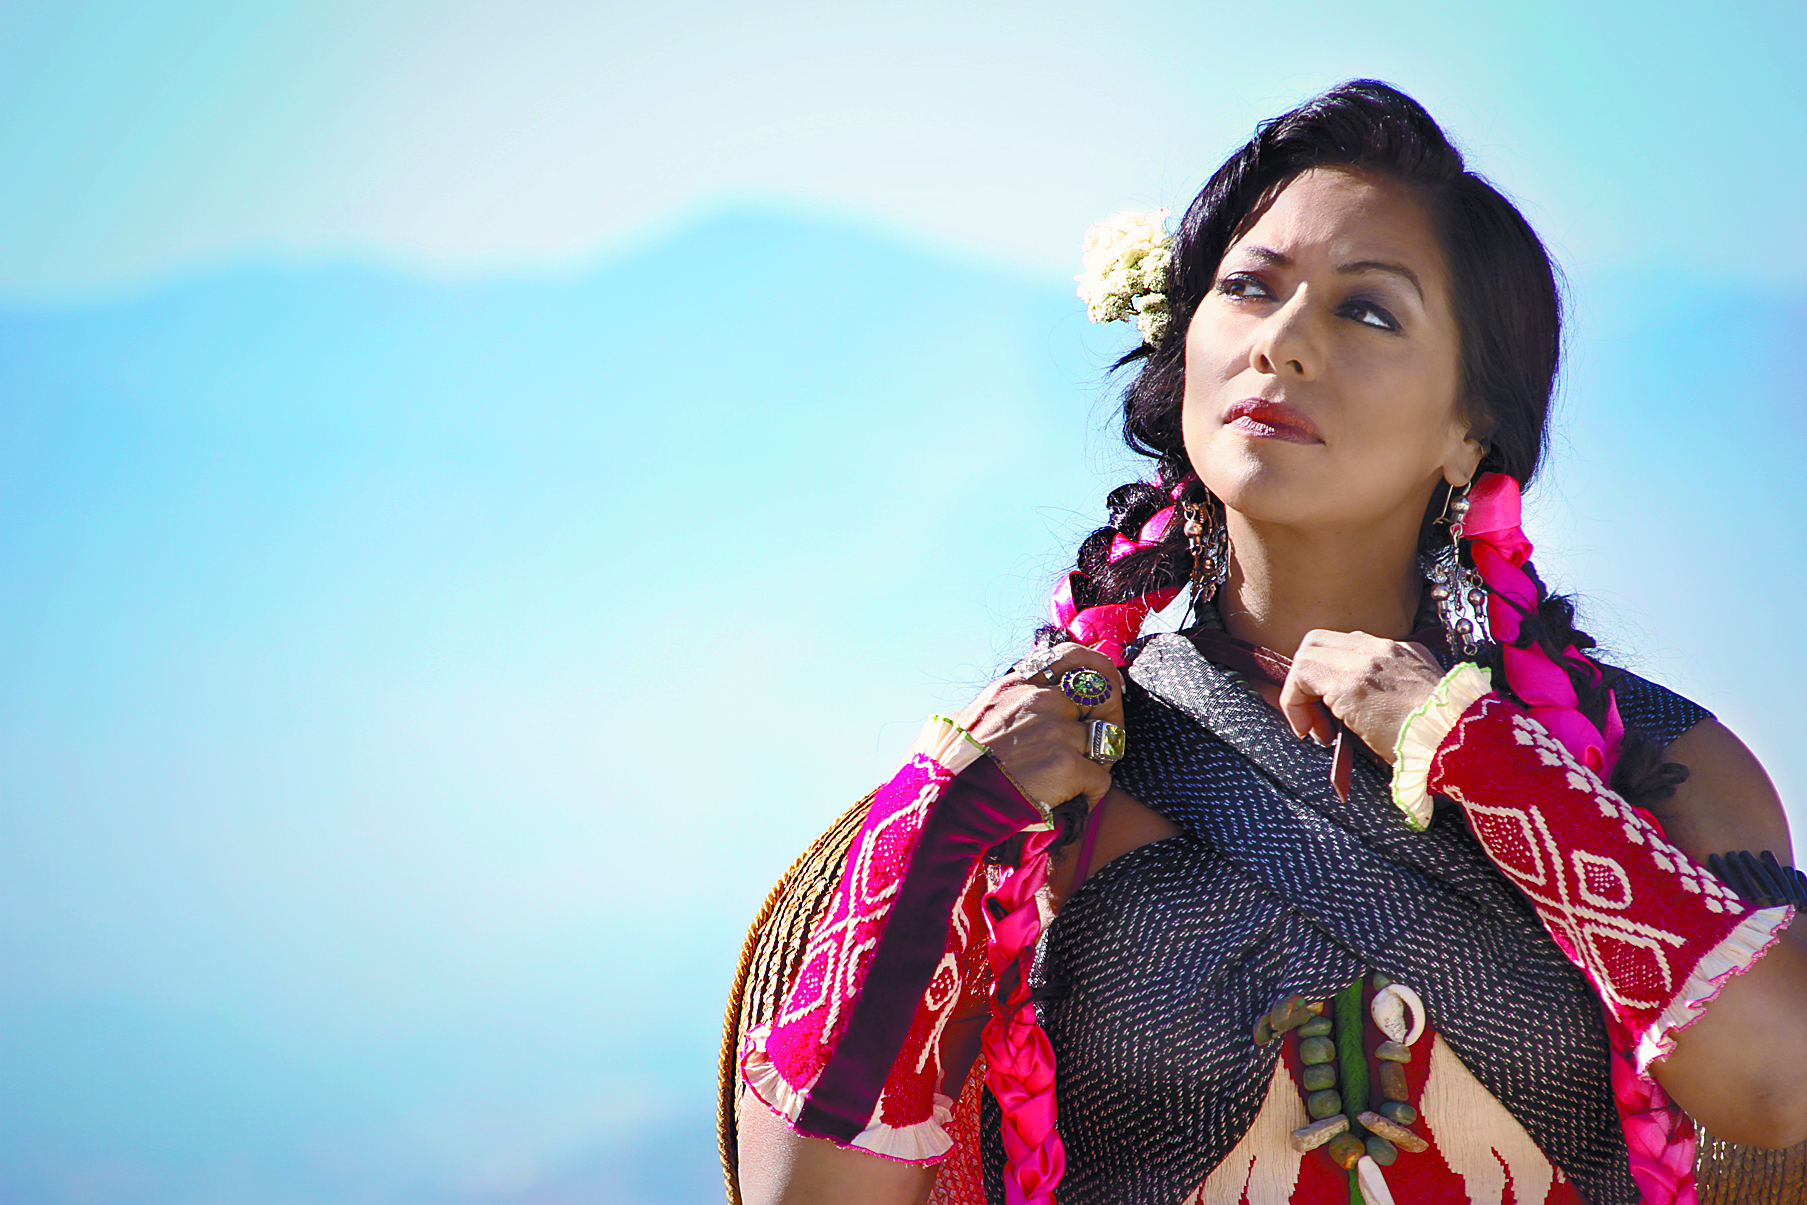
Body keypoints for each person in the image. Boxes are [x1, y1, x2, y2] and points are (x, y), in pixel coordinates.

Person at [720, 80, 1807, 1205]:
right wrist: (948, 824)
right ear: (1182, 346)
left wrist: (1474, 750)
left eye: (1366, 311)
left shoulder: (1648, 759)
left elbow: (1778, 1087)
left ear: (1469, 429)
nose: (1281, 343)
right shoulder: (1047, 775)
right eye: (1248, 288)